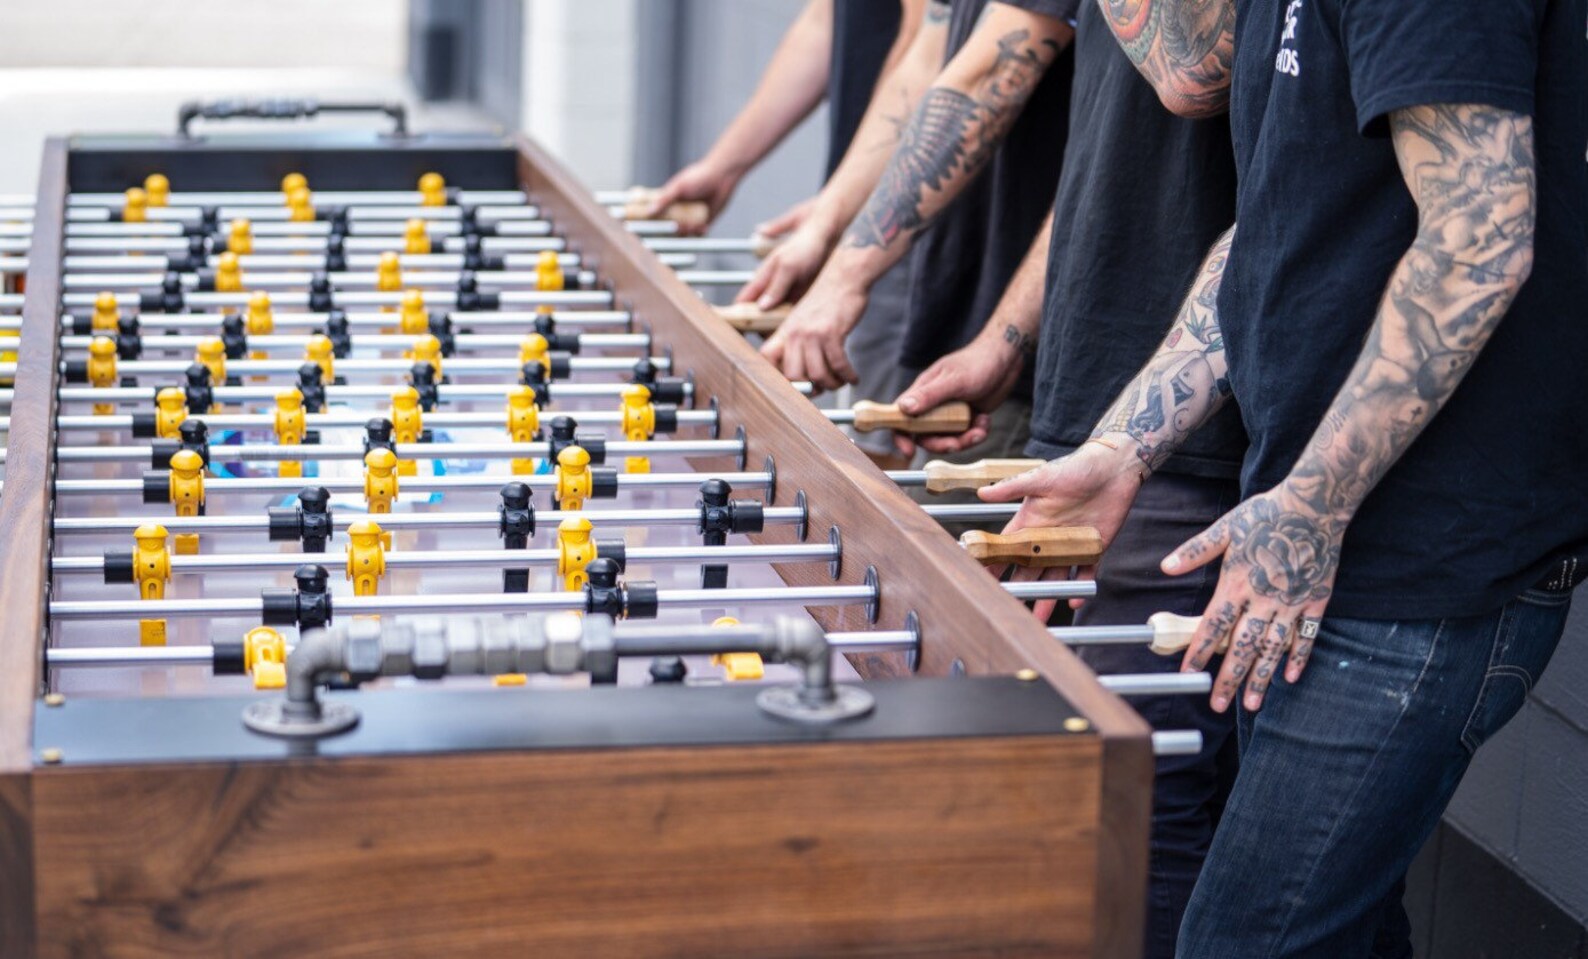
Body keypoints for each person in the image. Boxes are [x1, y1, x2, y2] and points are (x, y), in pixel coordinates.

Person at [985, 0, 1587, 954]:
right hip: (1326, 555)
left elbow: (1479, 241)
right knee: (1335, 930)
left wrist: (1309, 506)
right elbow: (1270, 233)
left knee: (1248, 940)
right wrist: (1127, 443)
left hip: (1416, 570)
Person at [893, 2, 1240, 952]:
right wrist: (1009, 335)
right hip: (1104, 406)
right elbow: (1099, 158)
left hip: (1203, 439)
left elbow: (1198, 71)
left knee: (1136, 806)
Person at [647, 0, 933, 463]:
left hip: (915, 219)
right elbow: (825, 19)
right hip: (871, 205)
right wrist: (724, 166)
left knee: (892, 475)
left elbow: (927, 53)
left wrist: (839, 213)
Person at [759, 0, 1077, 406]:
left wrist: (844, 277)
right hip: (957, 292)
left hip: (1032, 328)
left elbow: (990, 75)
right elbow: (925, 59)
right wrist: (826, 223)